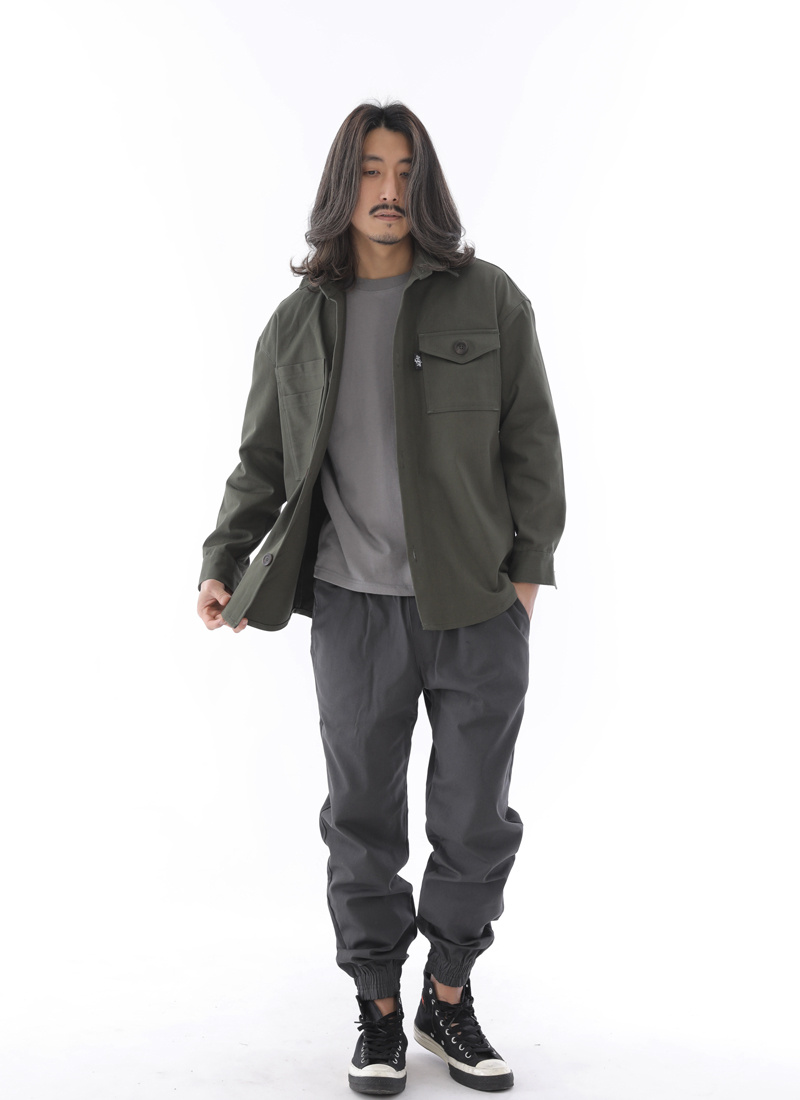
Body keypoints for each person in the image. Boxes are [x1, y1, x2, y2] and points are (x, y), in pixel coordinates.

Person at [197, 99, 566, 1095]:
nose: (388, 189)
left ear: (425, 183)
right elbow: (262, 460)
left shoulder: (487, 299)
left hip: (476, 606)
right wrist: (223, 557)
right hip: (353, 610)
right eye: (369, 170)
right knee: (360, 818)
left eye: (404, 171)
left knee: (474, 815)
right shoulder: (298, 323)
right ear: (342, 184)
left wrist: (522, 584)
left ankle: (448, 994)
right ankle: (379, 1012)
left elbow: (532, 445)